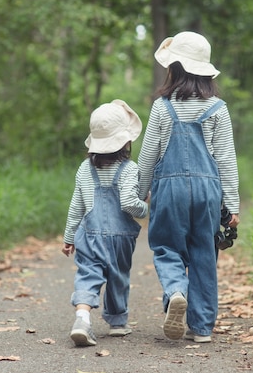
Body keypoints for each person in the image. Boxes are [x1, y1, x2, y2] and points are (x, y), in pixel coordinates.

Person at [138, 31, 240, 344]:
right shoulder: (218, 108)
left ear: (175, 69)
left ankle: (176, 290)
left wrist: (139, 193)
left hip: (169, 189)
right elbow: (226, 160)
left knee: (167, 246)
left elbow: (148, 154)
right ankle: (202, 327)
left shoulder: (161, 107)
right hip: (208, 192)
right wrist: (232, 205)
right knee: (204, 253)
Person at [62, 99, 149, 347]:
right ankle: (118, 323)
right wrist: (146, 207)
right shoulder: (129, 168)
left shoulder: (84, 168)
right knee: (118, 276)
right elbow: (130, 204)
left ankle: (82, 318)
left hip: (88, 235)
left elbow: (76, 206)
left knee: (88, 274)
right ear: (125, 141)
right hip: (120, 237)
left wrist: (69, 237)